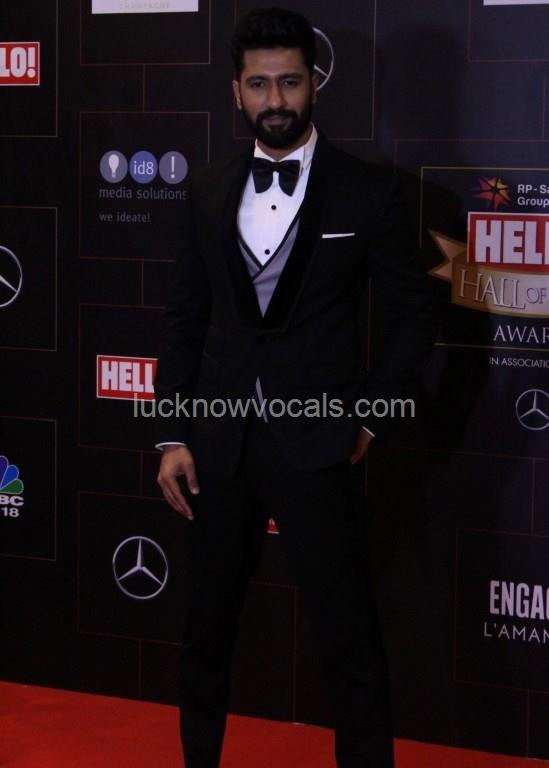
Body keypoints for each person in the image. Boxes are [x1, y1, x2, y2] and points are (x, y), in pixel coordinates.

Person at [155, 7, 435, 767]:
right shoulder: (206, 189)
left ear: (314, 84)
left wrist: (368, 419)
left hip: (319, 447)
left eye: (288, 82)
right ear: (235, 92)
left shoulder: (368, 193)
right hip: (217, 448)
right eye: (258, 85)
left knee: (349, 640)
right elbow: (184, 317)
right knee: (205, 634)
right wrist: (172, 432)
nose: (274, 100)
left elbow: (414, 319)